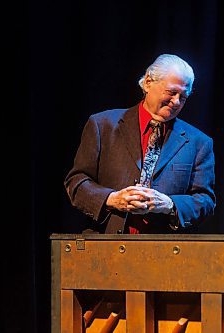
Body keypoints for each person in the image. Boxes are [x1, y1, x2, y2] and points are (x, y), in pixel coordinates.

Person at [64, 54, 215, 234]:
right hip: (105, 246)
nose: (176, 102)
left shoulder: (199, 142)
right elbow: (77, 182)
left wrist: (169, 204)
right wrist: (112, 199)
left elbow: (205, 201)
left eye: (183, 96)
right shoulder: (102, 125)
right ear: (148, 82)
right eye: (172, 92)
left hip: (166, 253)